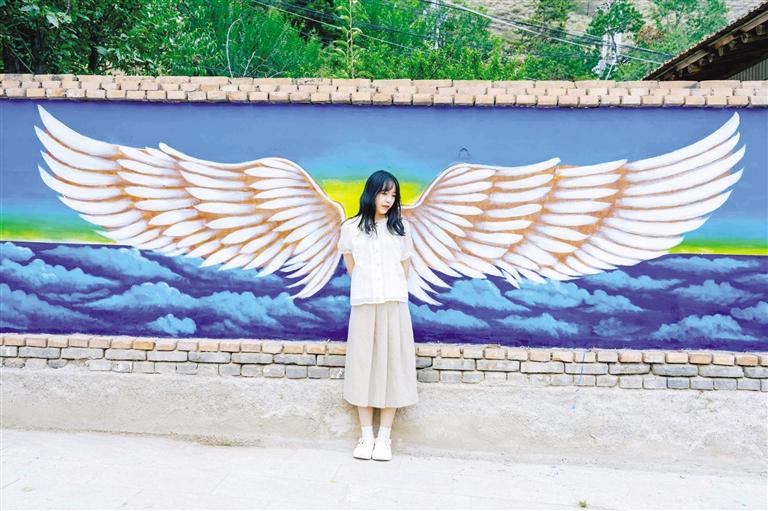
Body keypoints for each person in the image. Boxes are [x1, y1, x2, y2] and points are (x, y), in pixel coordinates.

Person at [336, 170, 418, 462]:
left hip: (394, 303)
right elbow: (352, 266)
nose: (388, 200)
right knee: (363, 366)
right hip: (364, 303)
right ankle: (366, 436)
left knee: (393, 366)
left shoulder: (401, 228)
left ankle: (384, 437)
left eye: (393, 195)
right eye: (384, 193)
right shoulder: (351, 228)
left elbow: (404, 266)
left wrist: (391, 289)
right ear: (371, 192)